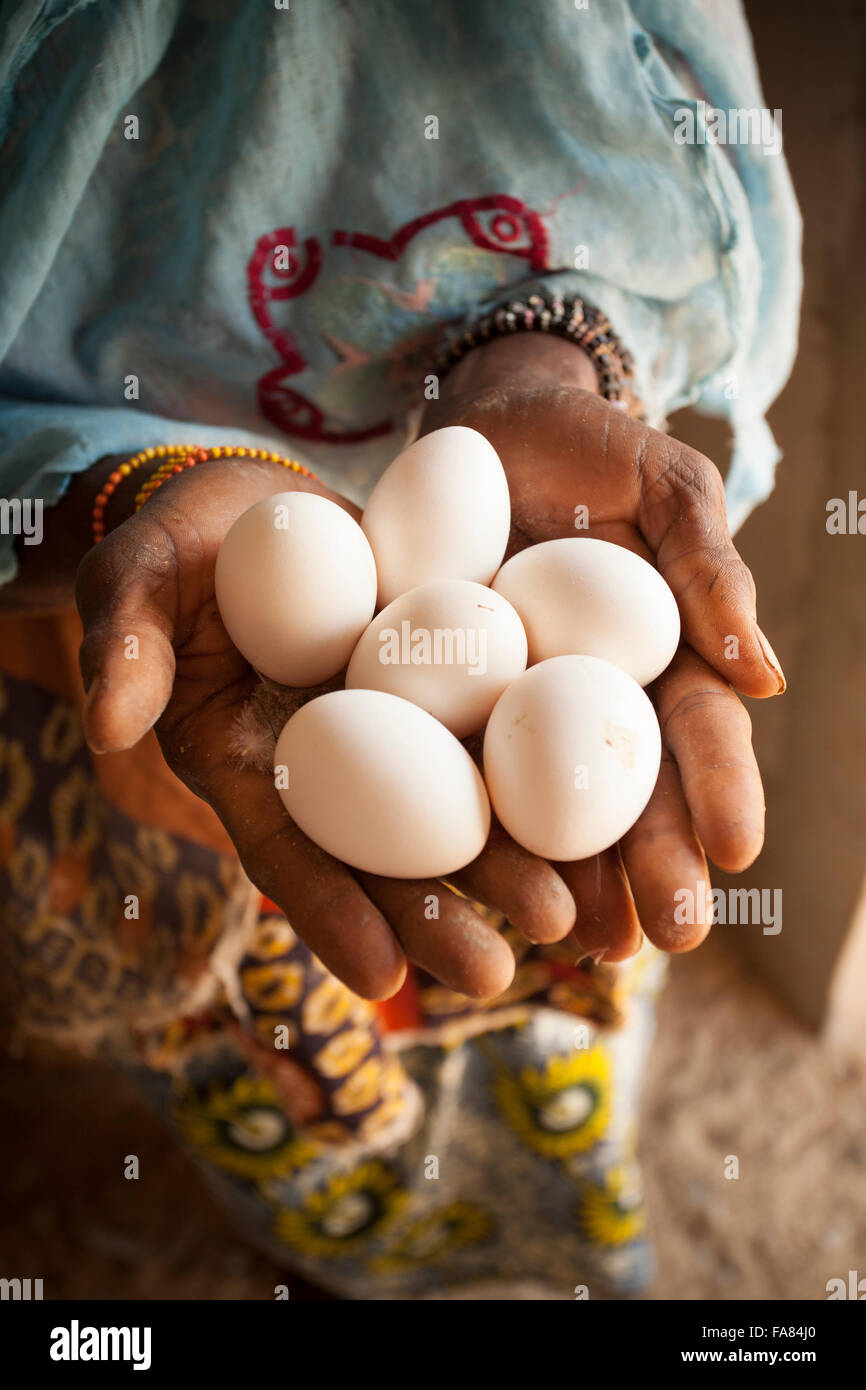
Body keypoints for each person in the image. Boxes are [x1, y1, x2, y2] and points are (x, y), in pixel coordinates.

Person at [0, 0, 800, 1298]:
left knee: (554, 936)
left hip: (463, 568)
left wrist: (539, 358)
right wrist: (119, 491)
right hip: (132, 614)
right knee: (278, 1018)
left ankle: (534, 1234)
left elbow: (629, 132)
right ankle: (359, 1244)